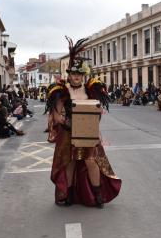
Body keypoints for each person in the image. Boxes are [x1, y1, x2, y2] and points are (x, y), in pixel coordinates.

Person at [47, 37, 121, 208]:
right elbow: (56, 116)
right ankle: (70, 195)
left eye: (79, 74)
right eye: (73, 74)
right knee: (70, 161)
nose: (76, 77)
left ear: (83, 75)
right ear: (69, 75)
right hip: (67, 132)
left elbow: (97, 112)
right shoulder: (60, 92)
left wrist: (90, 123)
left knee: (90, 161)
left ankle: (98, 195)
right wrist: (66, 121)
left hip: (87, 132)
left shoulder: (91, 90)